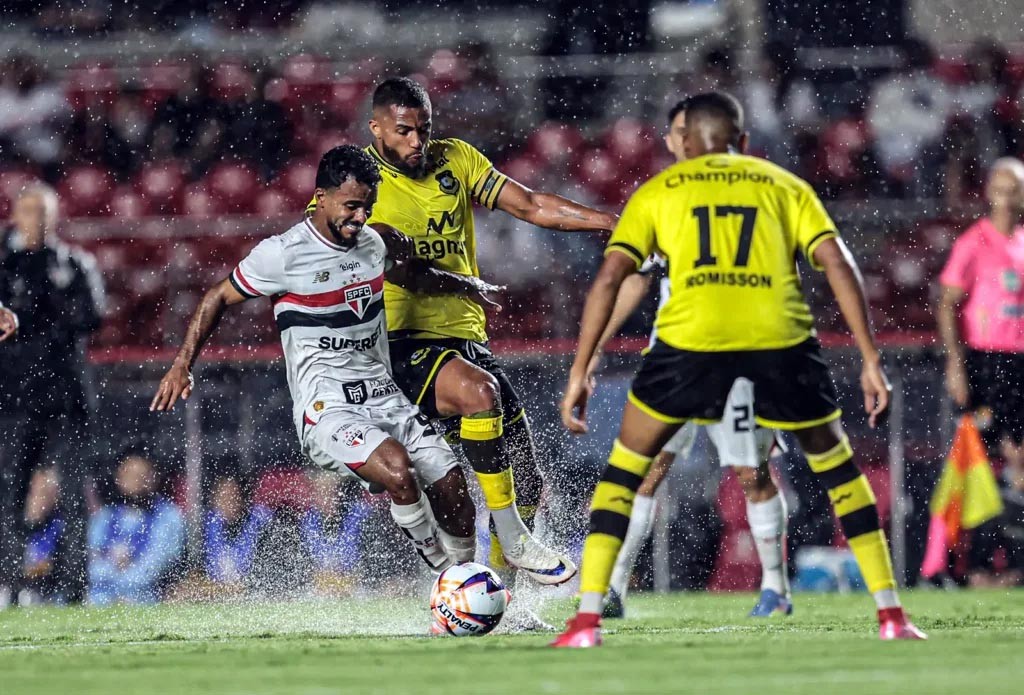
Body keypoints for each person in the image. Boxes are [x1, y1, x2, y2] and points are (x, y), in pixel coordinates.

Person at [553, 92, 926, 647]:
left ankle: (587, 622)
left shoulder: (660, 193)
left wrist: (581, 367)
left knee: (629, 470)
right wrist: (870, 359)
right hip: (778, 341)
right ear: (743, 141)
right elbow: (836, 261)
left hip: (688, 346)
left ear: (685, 141)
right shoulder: (783, 185)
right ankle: (891, 614)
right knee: (838, 470)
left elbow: (612, 277)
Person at [153, 145, 569, 584]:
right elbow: (218, 296)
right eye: (351, 205)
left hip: (385, 396)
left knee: (454, 491)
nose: (360, 216)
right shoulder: (283, 254)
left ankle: (467, 578)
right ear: (321, 197)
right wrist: (182, 364)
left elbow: (412, 275)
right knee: (398, 469)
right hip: (328, 408)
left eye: (368, 206)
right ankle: (445, 574)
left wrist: (464, 285)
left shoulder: (372, 243)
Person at [306, 77, 614, 613]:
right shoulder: (356, 183)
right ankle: (513, 540)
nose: (417, 141)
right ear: (375, 127)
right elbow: (388, 262)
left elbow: (531, 205)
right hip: (397, 341)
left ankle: (498, 602)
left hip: (466, 337)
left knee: (527, 480)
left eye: (424, 129)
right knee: (479, 395)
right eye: (404, 131)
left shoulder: (457, 159)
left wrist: (611, 222)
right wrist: (462, 283)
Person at [587, 257, 789, 619]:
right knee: (644, 471)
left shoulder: (752, 222)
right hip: (671, 357)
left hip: (737, 354)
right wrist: (598, 343)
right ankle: (613, 588)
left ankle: (776, 588)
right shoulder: (667, 222)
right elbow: (637, 277)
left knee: (752, 473)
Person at [0, 183, 105, 606]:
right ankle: (10, 585)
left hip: (66, 398)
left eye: (43, 212)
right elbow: (70, 319)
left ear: (55, 217)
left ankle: (76, 588)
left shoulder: (74, 263)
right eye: (29, 211)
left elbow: (92, 316)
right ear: (14, 215)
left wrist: (28, 317)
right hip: (14, 398)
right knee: (10, 493)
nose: (36, 220)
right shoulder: (5, 265)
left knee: (73, 494)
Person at [938, 158, 1024, 471]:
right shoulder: (973, 243)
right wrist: (955, 363)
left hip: (1020, 358)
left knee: (1018, 450)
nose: (1006, 200)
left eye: (1013, 191)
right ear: (989, 193)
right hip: (986, 359)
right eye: (1000, 191)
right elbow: (947, 304)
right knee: (981, 450)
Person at [88, 451, 185, 605]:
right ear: (118, 477)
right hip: (100, 600)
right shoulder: (104, 516)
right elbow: (92, 566)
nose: (135, 481)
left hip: (145, 600)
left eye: (141, 475)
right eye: (129, 474)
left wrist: (124, 581)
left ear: (154, 478)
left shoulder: (168, 516)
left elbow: (156, 567)